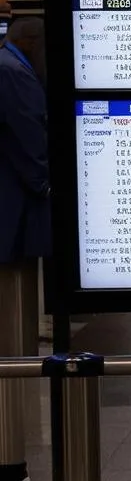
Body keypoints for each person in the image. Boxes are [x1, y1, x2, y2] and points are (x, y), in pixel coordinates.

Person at [0, 15, 50, 299]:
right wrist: (43, 182)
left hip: (13, 181)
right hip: (16, 190)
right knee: (14, 279)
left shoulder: (8, 63)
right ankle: (14, 344)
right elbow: (28, 132)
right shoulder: (15, 72)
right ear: (29, 42)